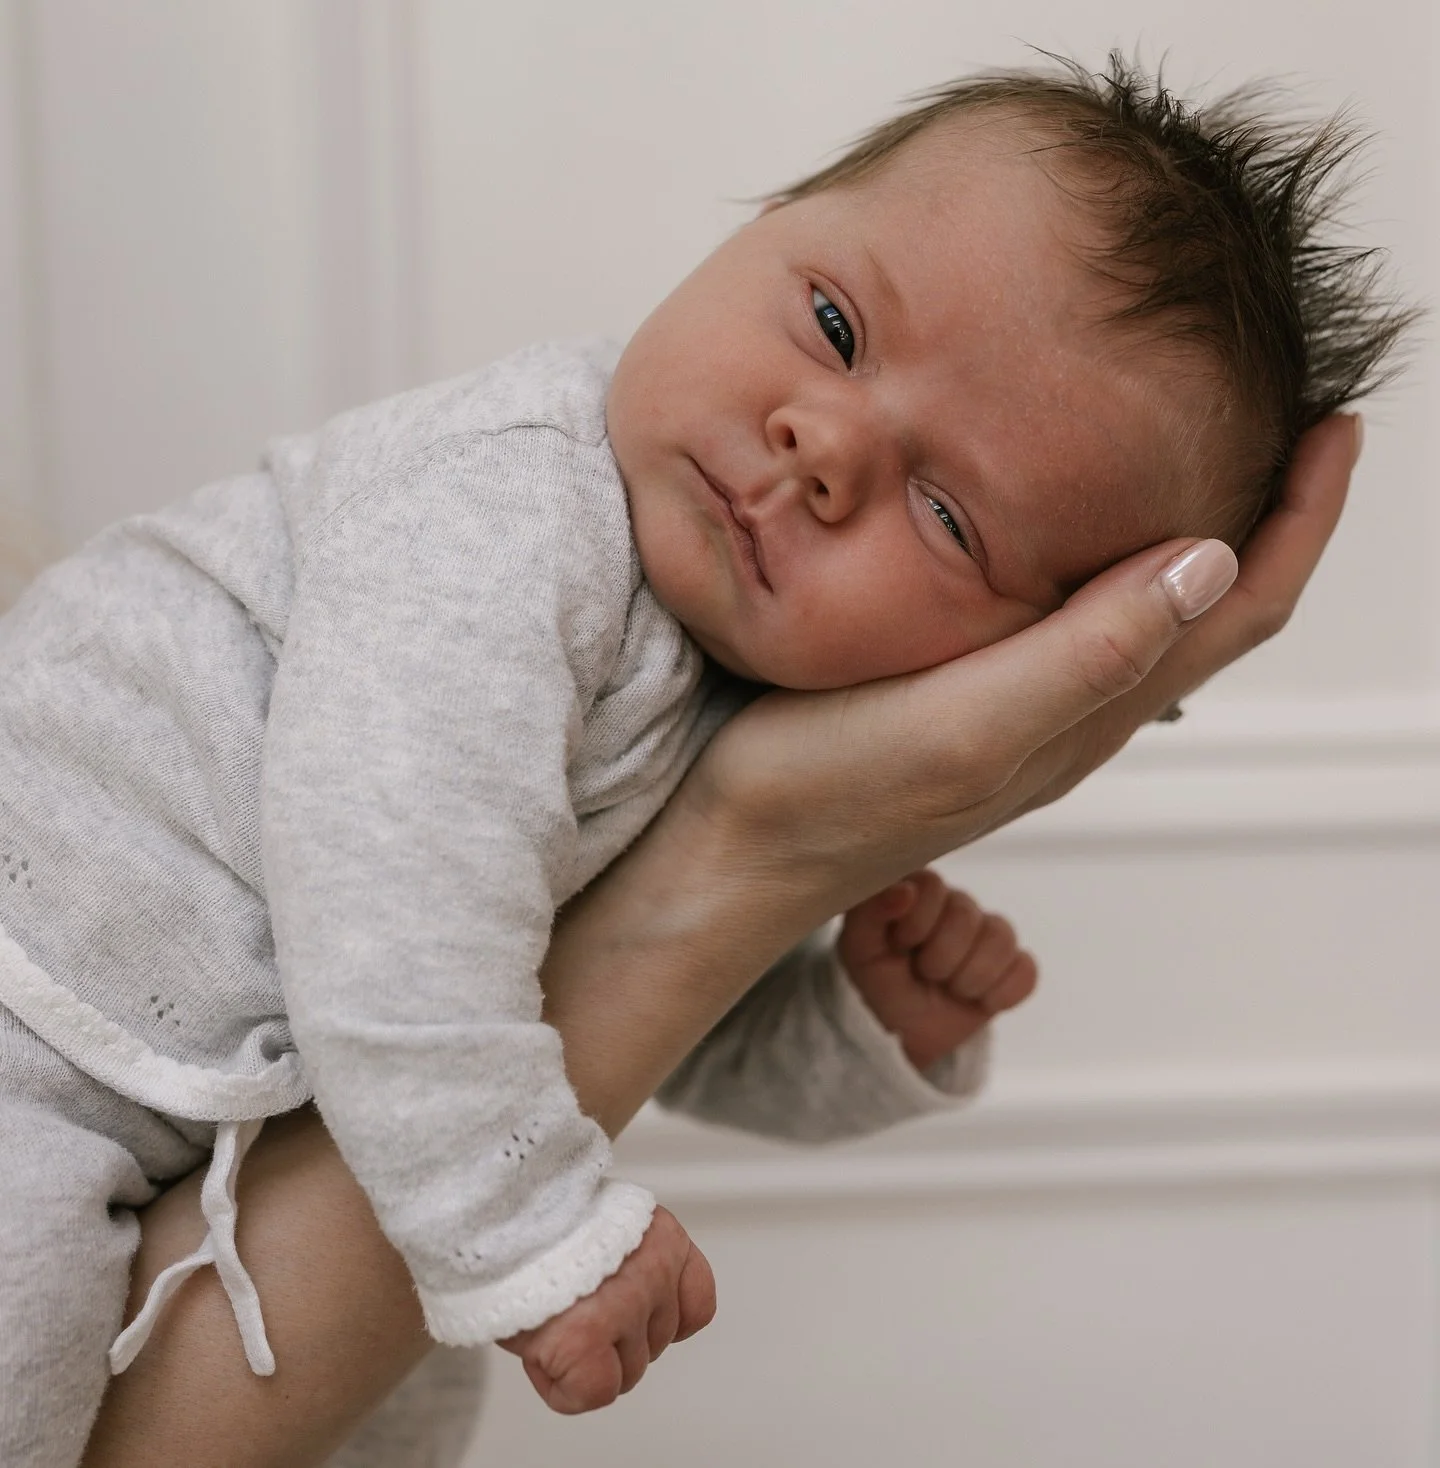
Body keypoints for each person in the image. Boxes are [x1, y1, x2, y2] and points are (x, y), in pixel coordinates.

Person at [0, 50, 1405, 1465]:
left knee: (401, 1393)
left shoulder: (729, 683)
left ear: (1022, 651)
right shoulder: (511, 505)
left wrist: (850, 1029)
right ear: (763, 220)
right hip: (33, 983)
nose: (823, 446)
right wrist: (535, 1220)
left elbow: (611, 993)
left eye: (947, 516)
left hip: (212, 1084)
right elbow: (395, 893)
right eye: (839, 326)